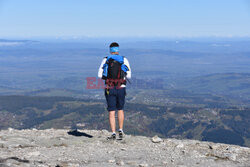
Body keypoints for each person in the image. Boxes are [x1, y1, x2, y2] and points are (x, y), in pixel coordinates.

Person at [98, 42, 131, 140]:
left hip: (109, 87)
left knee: (111, 111)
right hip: (121, 87)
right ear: (118, 50)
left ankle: (113, 133)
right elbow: (129, 75)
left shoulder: (105, 60)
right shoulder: (124, 59)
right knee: (120, 109)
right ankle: (120, 130)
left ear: (110, 50)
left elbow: (100, 75)